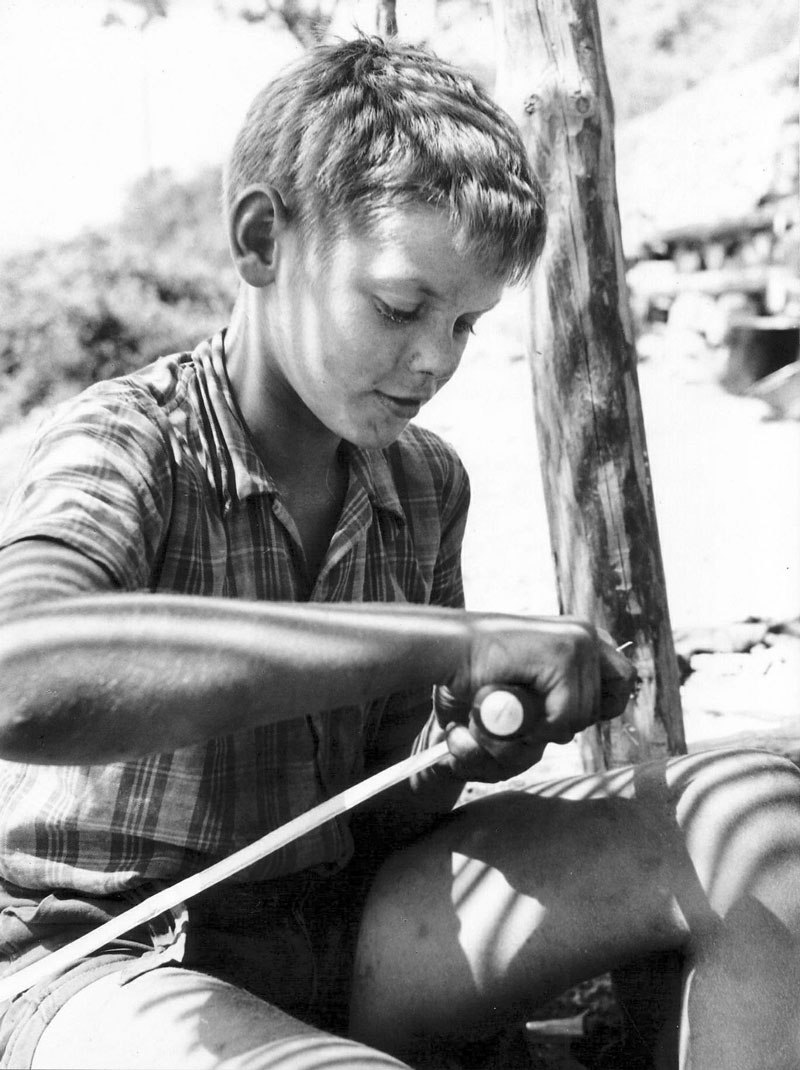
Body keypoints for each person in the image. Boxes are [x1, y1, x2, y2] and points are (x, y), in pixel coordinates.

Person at [0, 34, 798, 1070]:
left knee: (758, 822)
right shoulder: (129, 445)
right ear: (260, 239)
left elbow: (389, 798)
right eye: (398, 306)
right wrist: (442, 642)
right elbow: (20, 671)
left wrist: (463, 746)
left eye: (466, 324)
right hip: (100, 958)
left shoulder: (422, 483)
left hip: (338, 925)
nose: (433, 358)